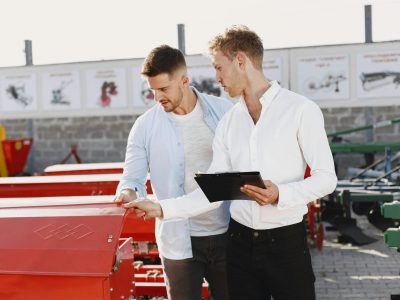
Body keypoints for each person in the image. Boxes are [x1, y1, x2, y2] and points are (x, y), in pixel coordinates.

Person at [125, 26, 337, 300]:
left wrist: (281, 193)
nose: (217, 78)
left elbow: (327, 178)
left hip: (286, 244)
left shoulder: (300, 110)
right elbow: (213, 191)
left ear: (240, 60)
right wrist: (160, 208)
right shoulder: (229, 122)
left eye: (219, 68)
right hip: (238, 245)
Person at [114, 45, 232, 300]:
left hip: (227, 235)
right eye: (153, 90)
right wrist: (127, 193)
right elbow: (132, 178)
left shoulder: (224, 113)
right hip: (177, 239)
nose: (158, 97)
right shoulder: (145, 126)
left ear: (185, 80)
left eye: (164, 89)